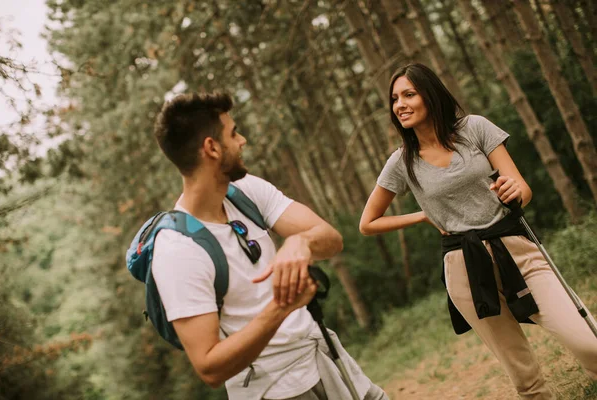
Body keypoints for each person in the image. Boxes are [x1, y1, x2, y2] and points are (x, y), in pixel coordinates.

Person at [359, 63, 597, 399]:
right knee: (524, 378)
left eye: (409, 94)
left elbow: (523, 190)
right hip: (464, 268)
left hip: (517, 249)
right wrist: (423, 216)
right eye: (394, 98)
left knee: (588, 341)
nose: (399, 104)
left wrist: (514, 191)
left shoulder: (475, 128)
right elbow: (368, 223)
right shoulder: (401, 162)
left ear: (431, 95)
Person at [151, 92, 388, 400]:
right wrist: (283, 306)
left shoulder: (245, 191)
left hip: (326, 359)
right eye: (233, 133)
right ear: (211, 148)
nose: (243, 140)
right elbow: (209, 368)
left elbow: (332, 240)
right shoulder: (177, 250)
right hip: (274, 390)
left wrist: (300, 241)